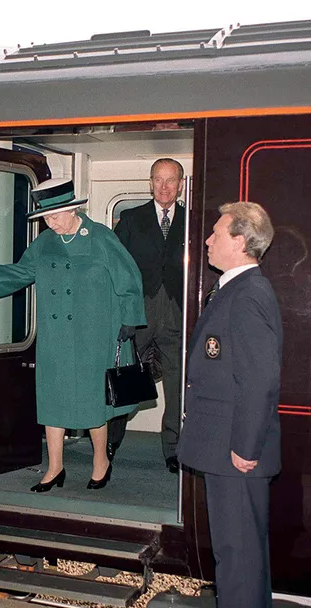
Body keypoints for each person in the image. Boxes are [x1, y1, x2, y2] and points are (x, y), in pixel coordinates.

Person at [0, 178, 146, 491]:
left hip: (94, 332)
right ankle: (55, 467)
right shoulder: (45, 243)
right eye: (45, 217)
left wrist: (130, 319)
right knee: (52, 398)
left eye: (56, 216)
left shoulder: (100, 237)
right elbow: (24, 272)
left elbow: (129, 279)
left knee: (94, 400)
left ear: (73, 209)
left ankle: (101, 461)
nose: (50, 222)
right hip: (56, 335)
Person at [176, 201, 282, 608]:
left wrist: (245, 446)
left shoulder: (249, 294)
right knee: (243, 544)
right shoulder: (235, 290)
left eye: (216, 233)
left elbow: (260, 380)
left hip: (235, 448)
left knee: (235, 547)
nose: (207, 240)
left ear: (240, 241)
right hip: (228, 442)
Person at [109, 158, 186, 473]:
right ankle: (110, 440)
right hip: (138, 312)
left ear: (181, 184)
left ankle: (174, 451)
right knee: (125, 376)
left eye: (171, 180)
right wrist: (121, 312)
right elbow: (113, 267)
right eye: (159, 180)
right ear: (150, 182)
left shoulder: (193, 221)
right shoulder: (130, 219)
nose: (164, 187)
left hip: (177, 311)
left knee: (177, 383)